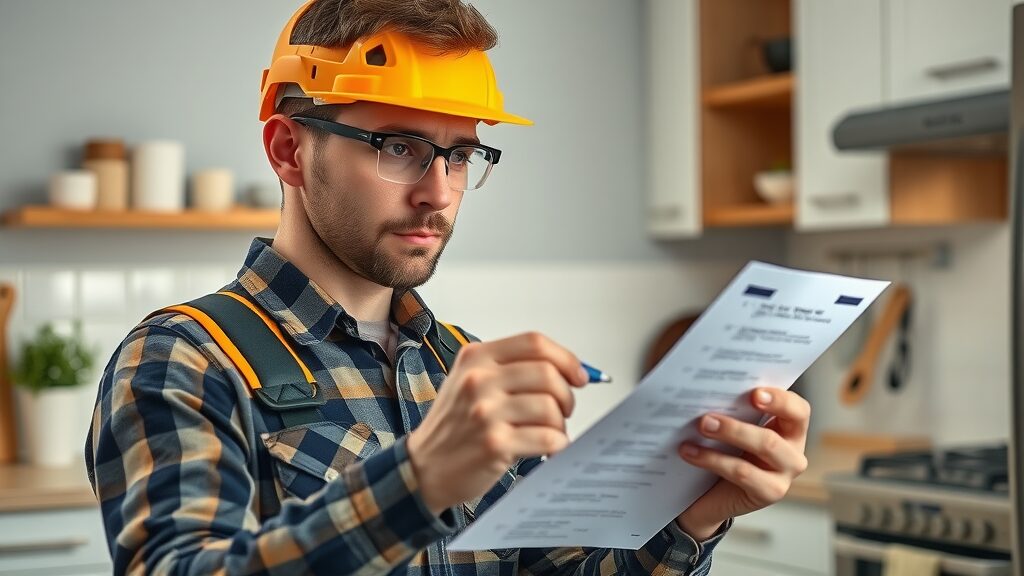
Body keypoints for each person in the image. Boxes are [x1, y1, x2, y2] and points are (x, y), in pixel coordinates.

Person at [85, 1, 811, 574]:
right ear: (288, 150)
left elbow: (557, 570)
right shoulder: (182, 359)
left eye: (460, 154)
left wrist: (694, 518)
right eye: (399, 147)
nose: (438, 192)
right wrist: (419, 481)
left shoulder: (460, 366)